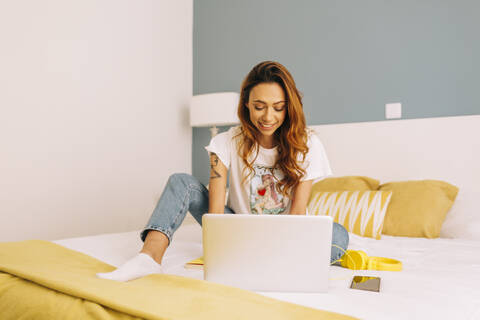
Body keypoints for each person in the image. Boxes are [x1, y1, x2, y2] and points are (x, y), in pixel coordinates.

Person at [97, 61, 349, 282]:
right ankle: (148, 259)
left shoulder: (308, 145)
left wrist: (280, 247)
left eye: (278, 107)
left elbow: (297, 215)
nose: (268, 116)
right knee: (180, 181)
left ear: (289, 107)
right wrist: (219, 250)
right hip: (236, 231)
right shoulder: (225, 143)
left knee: (339, 235)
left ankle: (267, 262)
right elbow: (216, 215)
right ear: (246, 105)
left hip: (284, 238)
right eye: (259, 106)